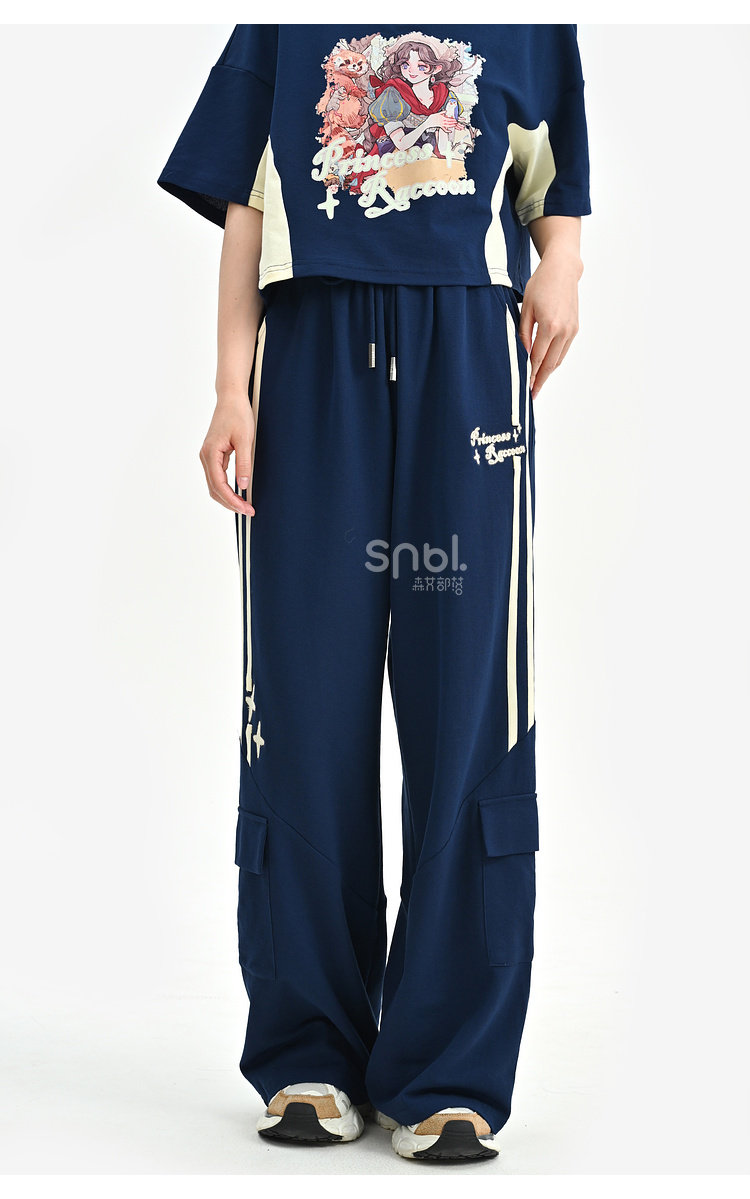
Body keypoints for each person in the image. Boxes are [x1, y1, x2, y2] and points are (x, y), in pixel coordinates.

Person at [156, 23, 591, 1164]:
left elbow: (555, 182)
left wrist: (561, 263)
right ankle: (307, 1048)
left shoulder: (528, 20)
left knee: (473, 709)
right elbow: (247, 207)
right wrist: (230, 387)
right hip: (311, 352)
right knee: (302, 702)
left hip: (469, 356)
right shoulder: (282, 21)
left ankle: (450, 1068)